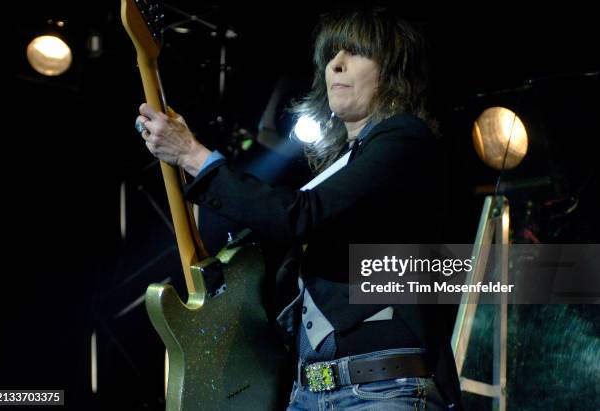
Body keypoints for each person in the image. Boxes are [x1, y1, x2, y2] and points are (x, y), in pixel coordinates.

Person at [135, 7, 462, 410]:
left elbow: (298, 215)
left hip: (380, 390)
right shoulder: (345, 160)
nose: (335, 64)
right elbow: (271, 229)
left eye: (355, 53)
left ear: (393, 70)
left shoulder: (405, 139)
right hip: (309, 390)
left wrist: (193, 155)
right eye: (330, 56)